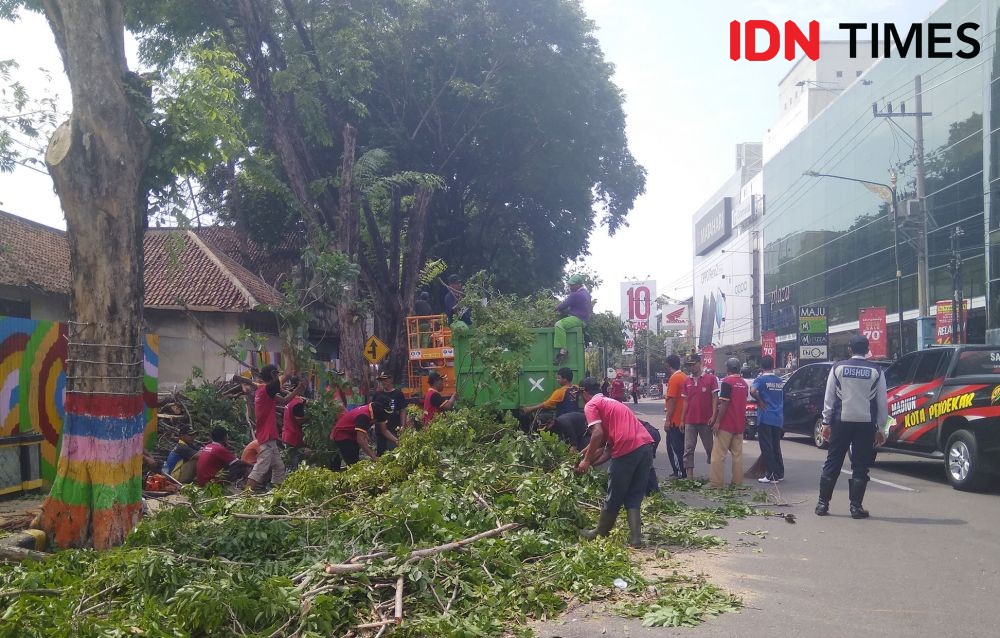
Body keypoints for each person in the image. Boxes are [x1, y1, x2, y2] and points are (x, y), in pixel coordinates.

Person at [576, 377, 655, 547]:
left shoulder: (591, 405)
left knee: (614, 495)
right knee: (634, 495)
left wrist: (586, 461)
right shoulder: (611, 402)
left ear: (584, 393)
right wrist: (588, 461)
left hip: (628, 449)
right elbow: (607, 450)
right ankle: (636, 539)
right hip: (645, 446)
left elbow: (596, 434)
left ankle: (600, 532)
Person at [815, 334, 888, 519]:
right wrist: (881, 428)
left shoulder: (838, 368)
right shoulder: (876, 371)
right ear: (867, 350)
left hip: (841, 421)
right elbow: (882, 402)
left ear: (849, 349)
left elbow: (829, 397)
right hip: (865, 423)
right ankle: (856, 507)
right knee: (861, 465)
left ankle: (822, 505)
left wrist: (825, 422)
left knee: (833, 461)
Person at [247, 364, 304, 491]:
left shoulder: (264, 391)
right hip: (266, 437)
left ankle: (276, 494)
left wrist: (298, 390)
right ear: (273, 374)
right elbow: (288, 374)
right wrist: (288, 353)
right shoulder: (265, 389)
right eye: (277, 374)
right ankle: (245, 496)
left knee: (279, 467)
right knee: (261, 468)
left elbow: (284, 401)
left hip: (268, 437)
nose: (279, 376)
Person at [708, 358, 748, 488]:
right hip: (739, 424)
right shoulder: (744, 383)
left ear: (728, 369)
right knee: (737, 455)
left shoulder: (727, 382)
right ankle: (737, 483)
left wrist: (717, 421)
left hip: (726, 424)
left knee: (718, 455)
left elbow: (725, 403)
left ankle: (716, 483)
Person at [750, 355, 785, 483]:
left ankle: (771, 475)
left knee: (766, 447)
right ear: (773, 365)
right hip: (778, 417)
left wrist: (760, 400)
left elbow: (752, 391)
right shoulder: (779, 380)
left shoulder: (760, 379)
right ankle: (779, 473)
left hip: (765, 417)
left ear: (761, 366)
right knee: (776, 446)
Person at [681, 353, 717, 478]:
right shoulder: (686, 381)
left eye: (693, 364)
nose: (691, 367)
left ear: (699, 363)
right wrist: (682, 420)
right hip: (690, 421)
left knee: (710, 448)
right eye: (689, 365)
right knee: (688, 449)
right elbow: (685, 402)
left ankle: (714, 475)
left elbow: (714, 398)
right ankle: (690, 477)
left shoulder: (710, 379)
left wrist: (714, 416)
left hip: (706, 420)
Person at [330, 399, 388, 468]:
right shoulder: (363, 416)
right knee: (353, 463)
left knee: (355, 458)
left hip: (351, 434)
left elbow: (363, 432)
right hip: (342, 435)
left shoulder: (369, 409)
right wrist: (373, 456)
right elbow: (360, 440)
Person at [553, 274, 592, 365]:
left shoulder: (576, 295)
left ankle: (563, 350)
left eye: (572, 285)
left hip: (578, 319)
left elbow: (562, 305)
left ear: (578, 285)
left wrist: (554, 309)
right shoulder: (586, 294)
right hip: (584, 320)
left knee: (559, 325)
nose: (570, 287)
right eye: (570, 285)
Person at [663, 354, 687, 478]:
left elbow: (671, 401)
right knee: (682, 447)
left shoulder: (674, 378)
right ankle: (684, 471)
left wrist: (667, 420)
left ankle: (679, 471)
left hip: (675, 420)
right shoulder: (684, 377)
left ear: (668, 365)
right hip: (683, 420)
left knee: (673, 447)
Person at [372, 372, 406, 454]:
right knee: (381, 453)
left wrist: (403, 426)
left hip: (393, 428)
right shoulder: (378, 394)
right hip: (380, 429)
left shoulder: (398, 394)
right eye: (381, 380)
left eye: (385, 379)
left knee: (394, 452)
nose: (383, 382)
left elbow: (402, 410)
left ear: (391, 380)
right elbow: (372, 410)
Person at [282, 377, 309, 472]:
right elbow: (299, 421)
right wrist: (310, 417)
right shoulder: (298, 403)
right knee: (294, 465)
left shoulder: (290, 400)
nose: (305, 387)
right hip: (293, 437)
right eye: (302, 385)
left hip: (287, 434)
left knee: (290, 463)